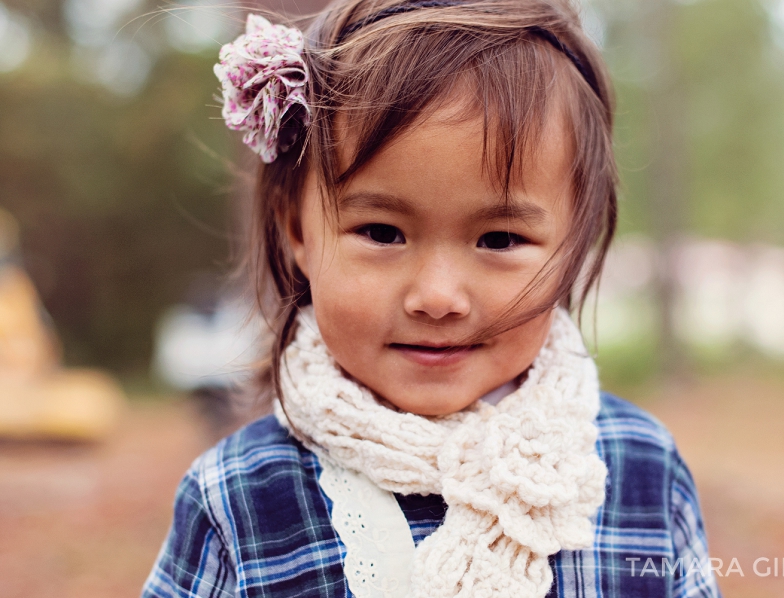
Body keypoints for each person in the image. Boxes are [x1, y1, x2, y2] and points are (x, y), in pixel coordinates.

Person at [143, 1, 720, 596]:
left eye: (499, 239)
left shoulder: (641, 470)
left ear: (574, 243)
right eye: (382, 233)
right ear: (297, 230)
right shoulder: (238, 496)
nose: (438, 297)